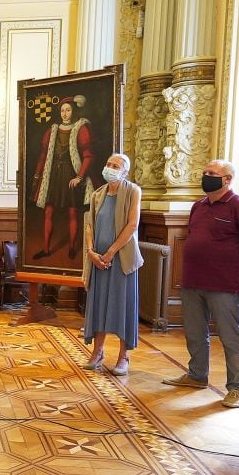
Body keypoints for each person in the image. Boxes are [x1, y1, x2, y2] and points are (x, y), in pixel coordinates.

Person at [162, 160, 239, 408]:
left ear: (227, 179)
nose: (206, 177)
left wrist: (238, 263)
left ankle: (237, 388)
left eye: (212, 174)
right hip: (193, 280)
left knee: (230, 336)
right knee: (195, 333)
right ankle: (197, 375)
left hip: (224, 283)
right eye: (204, 172)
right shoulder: (199, 206)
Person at [80, 153, 143, 376]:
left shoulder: (133, 191)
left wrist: (110, 253)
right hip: (98, 260)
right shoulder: (98, 194)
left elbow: (132, 224)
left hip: (121, 261)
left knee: (122, 306)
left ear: (125, 171)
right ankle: (97, 352)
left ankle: (123, 357)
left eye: (115, 166)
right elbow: (89, 225)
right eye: (108, 164)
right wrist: (91, 252)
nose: (110, 168)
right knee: (98, 306)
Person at [32, 96, 94, 260]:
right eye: (62, 110)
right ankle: (46, 249)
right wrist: (38, 174)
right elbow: (44, 155)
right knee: (48, 212)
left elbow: (88, 156)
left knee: (73, 213)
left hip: (70, 174)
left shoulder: (81, 128)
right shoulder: (52, 130)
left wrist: (79, 177)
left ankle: (72, 248)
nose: (65, 113)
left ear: (73, 111)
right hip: (53, 175)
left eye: (68, 110)